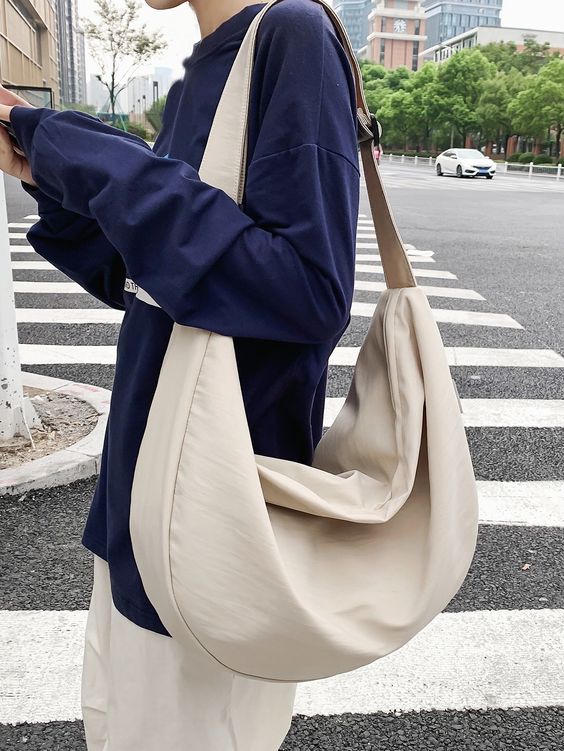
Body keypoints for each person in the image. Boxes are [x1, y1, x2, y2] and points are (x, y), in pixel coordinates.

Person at [0, 0, 360, 747]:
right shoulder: (203, 70)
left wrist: (88, 154)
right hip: (143, 486)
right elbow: (158, 277)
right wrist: (53, 176)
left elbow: (306, 293)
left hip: (214, 510)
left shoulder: (292, 36)